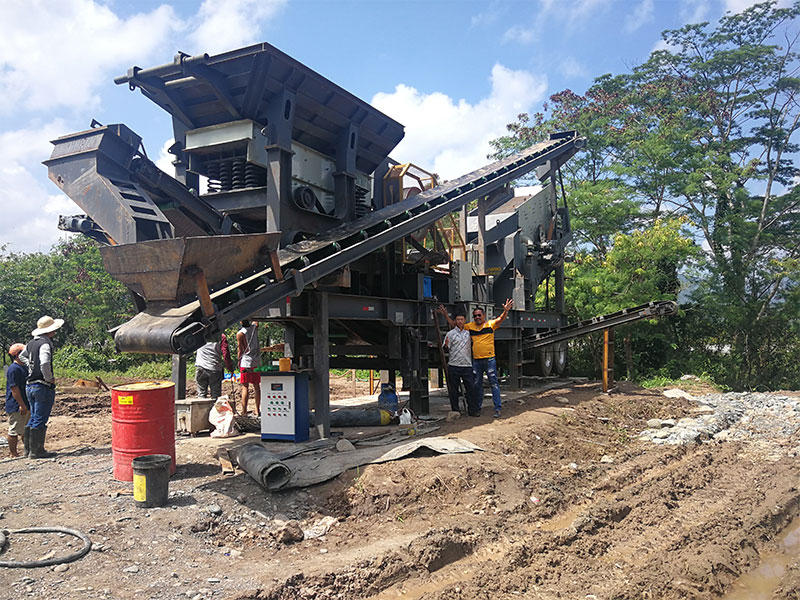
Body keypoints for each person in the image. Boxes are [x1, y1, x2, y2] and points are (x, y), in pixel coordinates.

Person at [441, 300, 513, 418]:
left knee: (493, 383)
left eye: (479, 315)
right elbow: (456, 325)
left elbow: (500, 320)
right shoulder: (470, 327)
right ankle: (477, 408)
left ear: (484, 316)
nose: (477, 317)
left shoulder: (490, 325)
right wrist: (445, 315)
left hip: (489, 359)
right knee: (477, 385)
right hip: (476, 361)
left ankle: (497, 408)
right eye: (475, 316)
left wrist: (505, 311)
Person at [20, 315, 64, 458]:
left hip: (30, 385)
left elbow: (22, 356)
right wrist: (49, 378)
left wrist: (31, 366)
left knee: (33, 417)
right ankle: (37, 451)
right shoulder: (45, 344)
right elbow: (45, 363)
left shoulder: (31, 343)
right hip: (41, 385)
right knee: (40, 418)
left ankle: (28, 450)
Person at [439, 308, 480, 417]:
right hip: (454, 365)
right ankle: (455, 410)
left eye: (462, 319)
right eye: (458, 320)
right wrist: (446, 346)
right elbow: (445, 349)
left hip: (467, 365)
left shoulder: (469, 333)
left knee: (471, 388)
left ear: (465, 320)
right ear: (455, 321)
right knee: (453, 390)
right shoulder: (450, 334)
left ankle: (473, 410)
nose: (460, 321)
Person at [5, 343, 30, 457]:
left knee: (26, 429)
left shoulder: (23, 367)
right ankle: (13, 453)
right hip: (17, 405)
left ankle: (28, 450)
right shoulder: (14, 369)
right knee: (14, 430)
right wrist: (21, 404)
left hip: (24, 403)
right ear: (17, 355)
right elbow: (14, 388)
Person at [195, 333, 233, 399]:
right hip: (214, 368)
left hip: (200, 366)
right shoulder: (221, 336)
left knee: (201, 394)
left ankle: (200, 408)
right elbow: (225, 354)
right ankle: (214, 408)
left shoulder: (199, 333)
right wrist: (230, 368)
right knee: (216, 396)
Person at [237, 320, 261, 416]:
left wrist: (239, 360)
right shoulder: (254, 328)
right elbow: (256, 322)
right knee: (256, 386)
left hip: (246, 362)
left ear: (241, 322)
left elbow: (240, 349)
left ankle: (244, 411)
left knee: (245, 387)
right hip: (256, 361)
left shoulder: (240, 333)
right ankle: (257, 409)